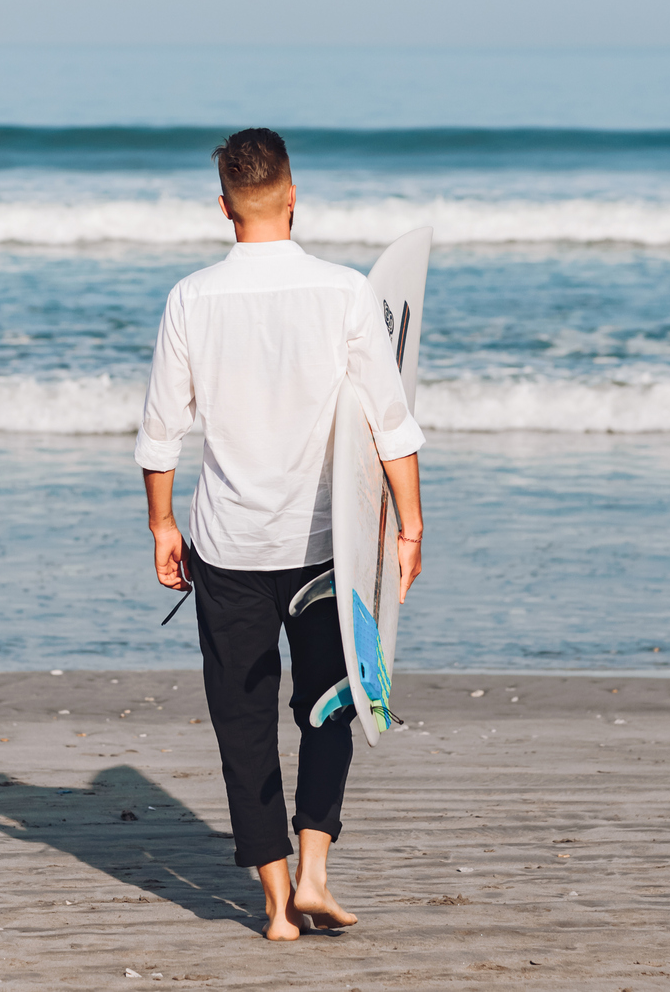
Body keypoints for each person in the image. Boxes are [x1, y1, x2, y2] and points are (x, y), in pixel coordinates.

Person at [135, 127, 426, 941]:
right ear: (293, 196)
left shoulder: (191, 298)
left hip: (226, 545)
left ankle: (273, 904)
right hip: (326, 547)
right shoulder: (343, 292)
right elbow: (389, 421)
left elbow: (160, 434)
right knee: (329, 703)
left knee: (241, 718)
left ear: (223, 206)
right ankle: (315, 873)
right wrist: (408, 525)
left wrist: (161, 524)